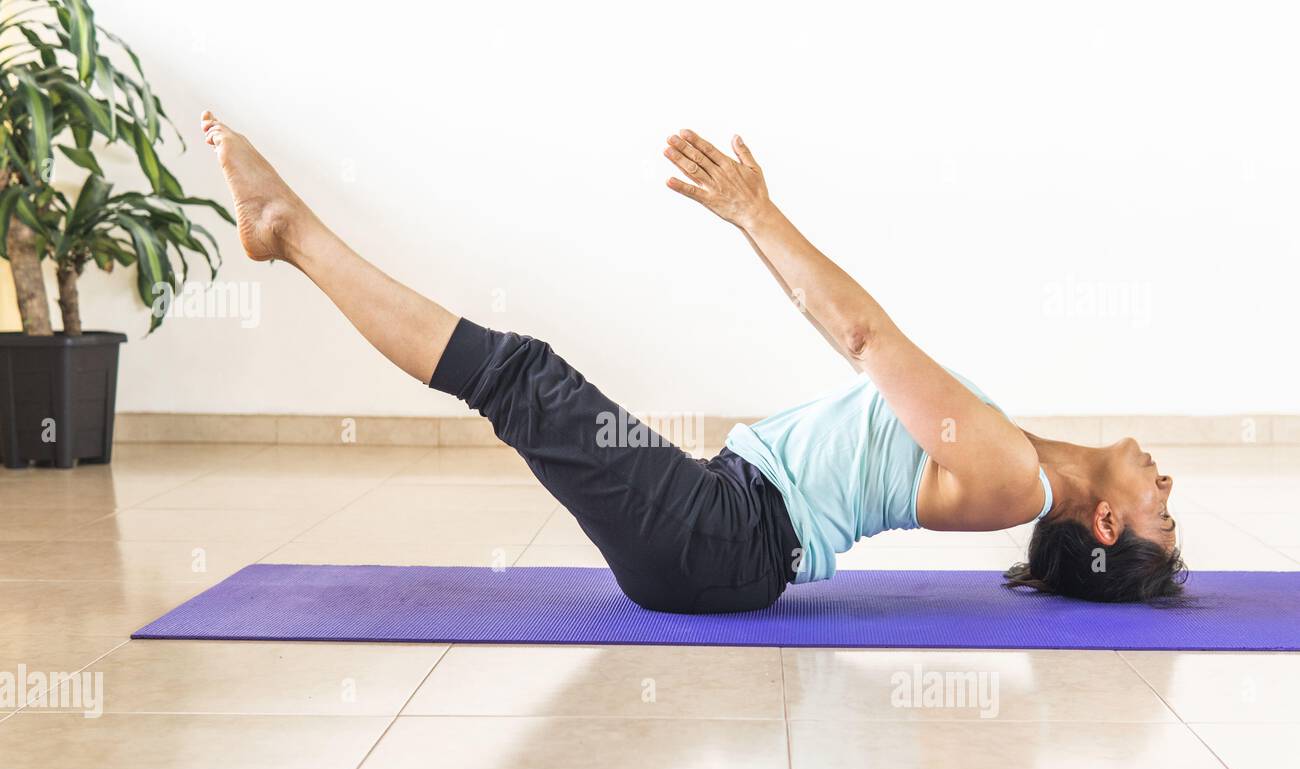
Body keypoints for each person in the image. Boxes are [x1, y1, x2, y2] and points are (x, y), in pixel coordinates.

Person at [200, 111, 1185, 613]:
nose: (1167, 485)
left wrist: (755, 213)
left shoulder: (1013, 476)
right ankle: (286, 232)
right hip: (719, 513)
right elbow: (860, 337)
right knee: (525, 382)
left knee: (519, 378)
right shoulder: (1010, 456)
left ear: (1103, 522)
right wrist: (744, 219)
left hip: (722, 541)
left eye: (1163, 514)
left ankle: (286, 233)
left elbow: (864, 339)